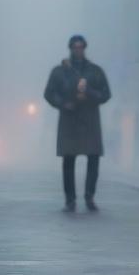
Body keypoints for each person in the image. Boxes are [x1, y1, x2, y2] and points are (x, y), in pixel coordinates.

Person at [43, 35, 111, 212]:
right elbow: (49, 93)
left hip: (90, 119)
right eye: (75, 47)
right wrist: (63, 103)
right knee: (68, 160)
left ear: (84, 48)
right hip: (69, 119)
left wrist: (89, 91)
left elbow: (105, 94)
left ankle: (89, 197)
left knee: (93, 158)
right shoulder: (60, 71)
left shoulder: (95, 71)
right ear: (70, 48)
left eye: (81, 47)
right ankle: (70, 199)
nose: (78, 50)